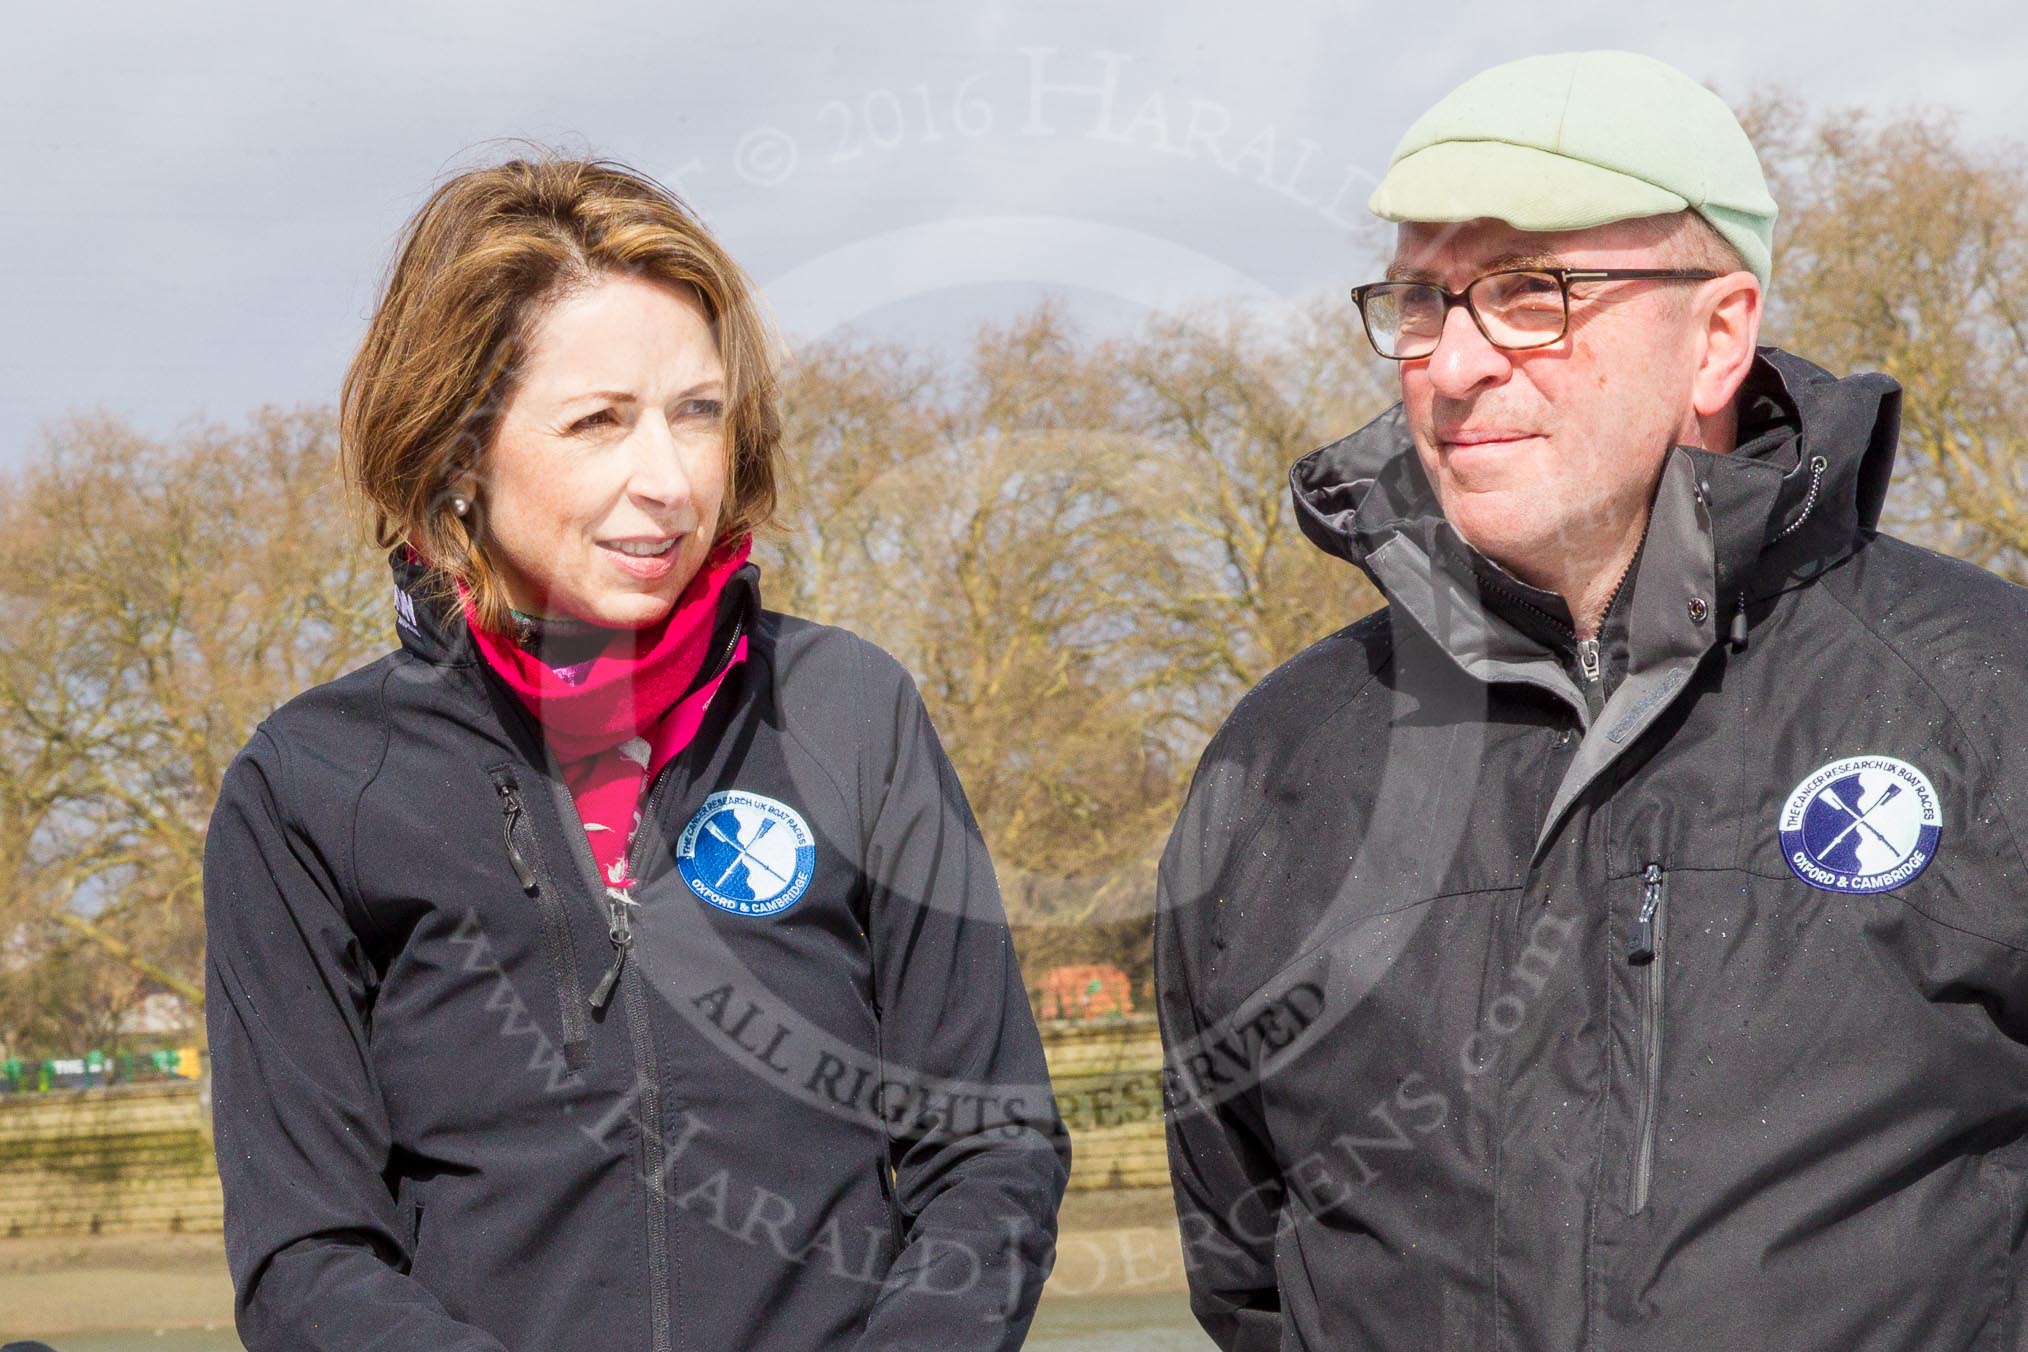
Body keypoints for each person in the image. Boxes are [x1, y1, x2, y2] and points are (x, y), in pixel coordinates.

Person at [1156, 50, 2028, 1351]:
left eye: (1528, 294)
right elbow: (1251, 1270)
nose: (1452, 364)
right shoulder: (1278, 765)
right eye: (1420, 299)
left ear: (1718, 334)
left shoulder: (1985, 695)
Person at [203, 153, 1068, 1352]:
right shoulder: (308, 788)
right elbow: (307, 1255)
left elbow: (990, 1149)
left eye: (697, 413)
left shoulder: (850, 712)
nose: (665, 479)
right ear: (461, 452)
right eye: (598, 420)